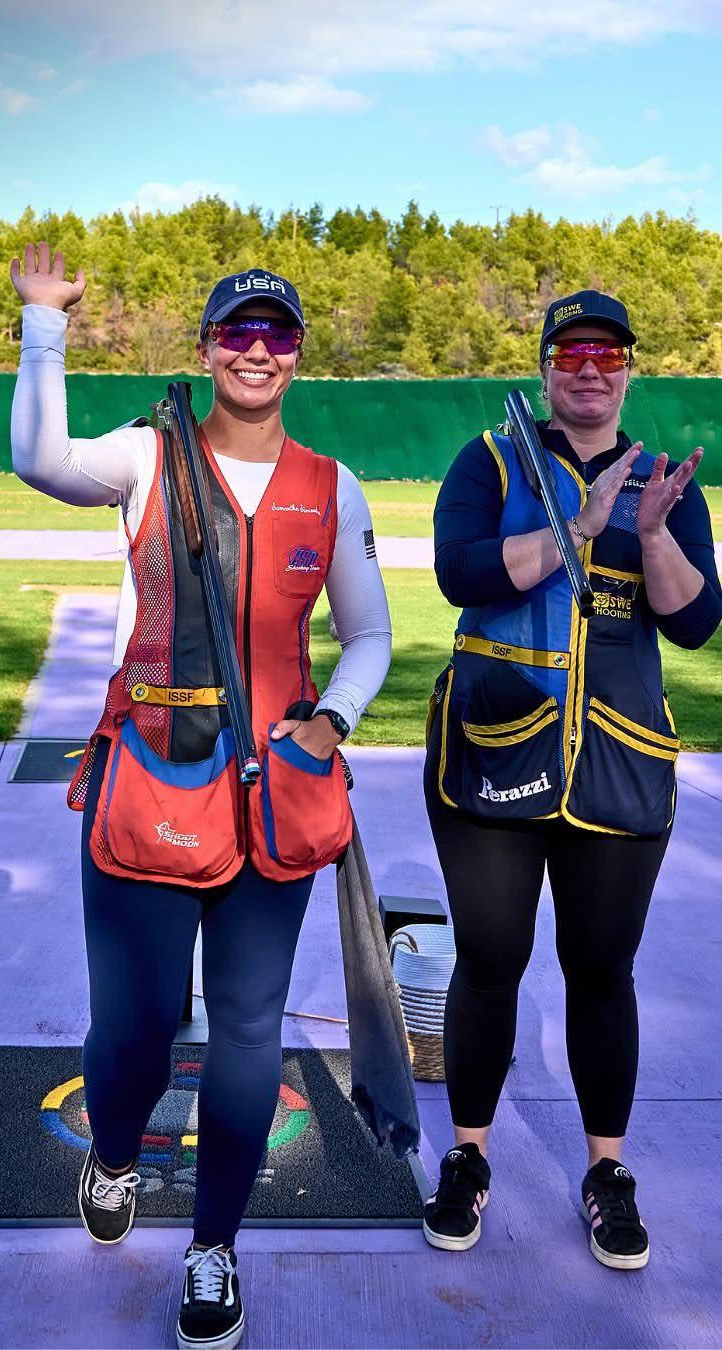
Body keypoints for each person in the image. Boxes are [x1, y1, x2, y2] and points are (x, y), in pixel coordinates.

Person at [10, 244, 392, 1350]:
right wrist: (46, 323)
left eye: (277, 333)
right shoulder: (146, 455)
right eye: (239, 331)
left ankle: (214, 1245)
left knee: (249, 1039)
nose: (257, 350)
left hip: (276, 802)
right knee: (131, 1029)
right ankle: (117, 1155)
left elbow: (367, 637)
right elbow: (37, 455)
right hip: (149, 787)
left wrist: (335, 721)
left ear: (301, 352)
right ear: (208, 348)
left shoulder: (335, 484)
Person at [422, 290, 721, 1269]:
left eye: (608, 353)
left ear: (630, 367)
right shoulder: (491, 459)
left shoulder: (665, 482)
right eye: (570, 352)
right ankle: (468, 1157)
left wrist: (659, 532)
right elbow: (460, 572)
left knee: (601, 974)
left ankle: (605, 1172)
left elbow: (694, 621)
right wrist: (575, 529)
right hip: (497, 756)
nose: (589, 369)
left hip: (621, 766)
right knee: (491, 959)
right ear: (546, 365)